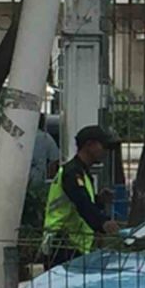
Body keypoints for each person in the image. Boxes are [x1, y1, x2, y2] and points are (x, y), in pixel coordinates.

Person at [42, 125, 121, 267]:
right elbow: (82, 203)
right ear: (89, 145)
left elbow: (80, 201)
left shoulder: (81, 172)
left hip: (73, 244)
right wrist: (103, 223)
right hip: (62, 243)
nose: (106, 151)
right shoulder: (72, 173)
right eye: (103, 146)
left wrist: (99, 200)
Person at [29, 114, 61, 187]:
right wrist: (50, 177)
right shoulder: (45, 138)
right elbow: (54, 161)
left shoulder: (19, 136)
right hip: (38, 181)